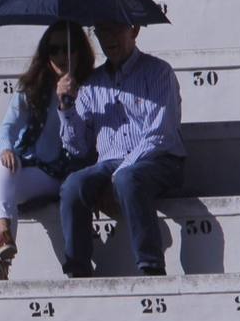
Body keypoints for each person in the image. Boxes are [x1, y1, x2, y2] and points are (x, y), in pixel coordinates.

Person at [55, 23, 186, 277]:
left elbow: (160, 134)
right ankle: (77, 270)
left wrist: (122, 170)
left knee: (128, 178)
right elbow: (77, 148)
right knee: (73, 186)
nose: (108, 37)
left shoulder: (158, 72)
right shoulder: (92, 84)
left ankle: (151, 266)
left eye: (115, 29)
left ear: (134, 30)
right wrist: (67, 107)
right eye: (102, 31)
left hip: (159, 159)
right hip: (110, 162)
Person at [0, 20, 96, 280]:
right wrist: (6, 149)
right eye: (53, 50)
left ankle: (2, 251)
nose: (60, 56)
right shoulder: (31, 88)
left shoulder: (89, 90)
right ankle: (3, 240)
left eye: (67, 49)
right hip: (18, 166)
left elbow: (81, 147)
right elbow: (6, 129)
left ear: (79, 52)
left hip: (53, 172)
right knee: (0, 166)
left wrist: (68, 102)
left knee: (4, 174)